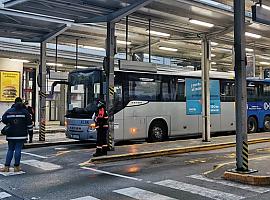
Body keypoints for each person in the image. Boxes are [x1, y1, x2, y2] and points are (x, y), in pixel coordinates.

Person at [0, 97, 33, 172]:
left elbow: (4, 119)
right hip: (21, 135)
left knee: (10, 149)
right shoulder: (25, 112)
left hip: (11, 134)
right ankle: (16, 167)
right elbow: (29, 124)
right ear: (21, 102)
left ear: (14, 103)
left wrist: (9, 123)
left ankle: (6, 167)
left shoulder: (9, 111)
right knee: (18, 150)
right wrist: (30, 134)